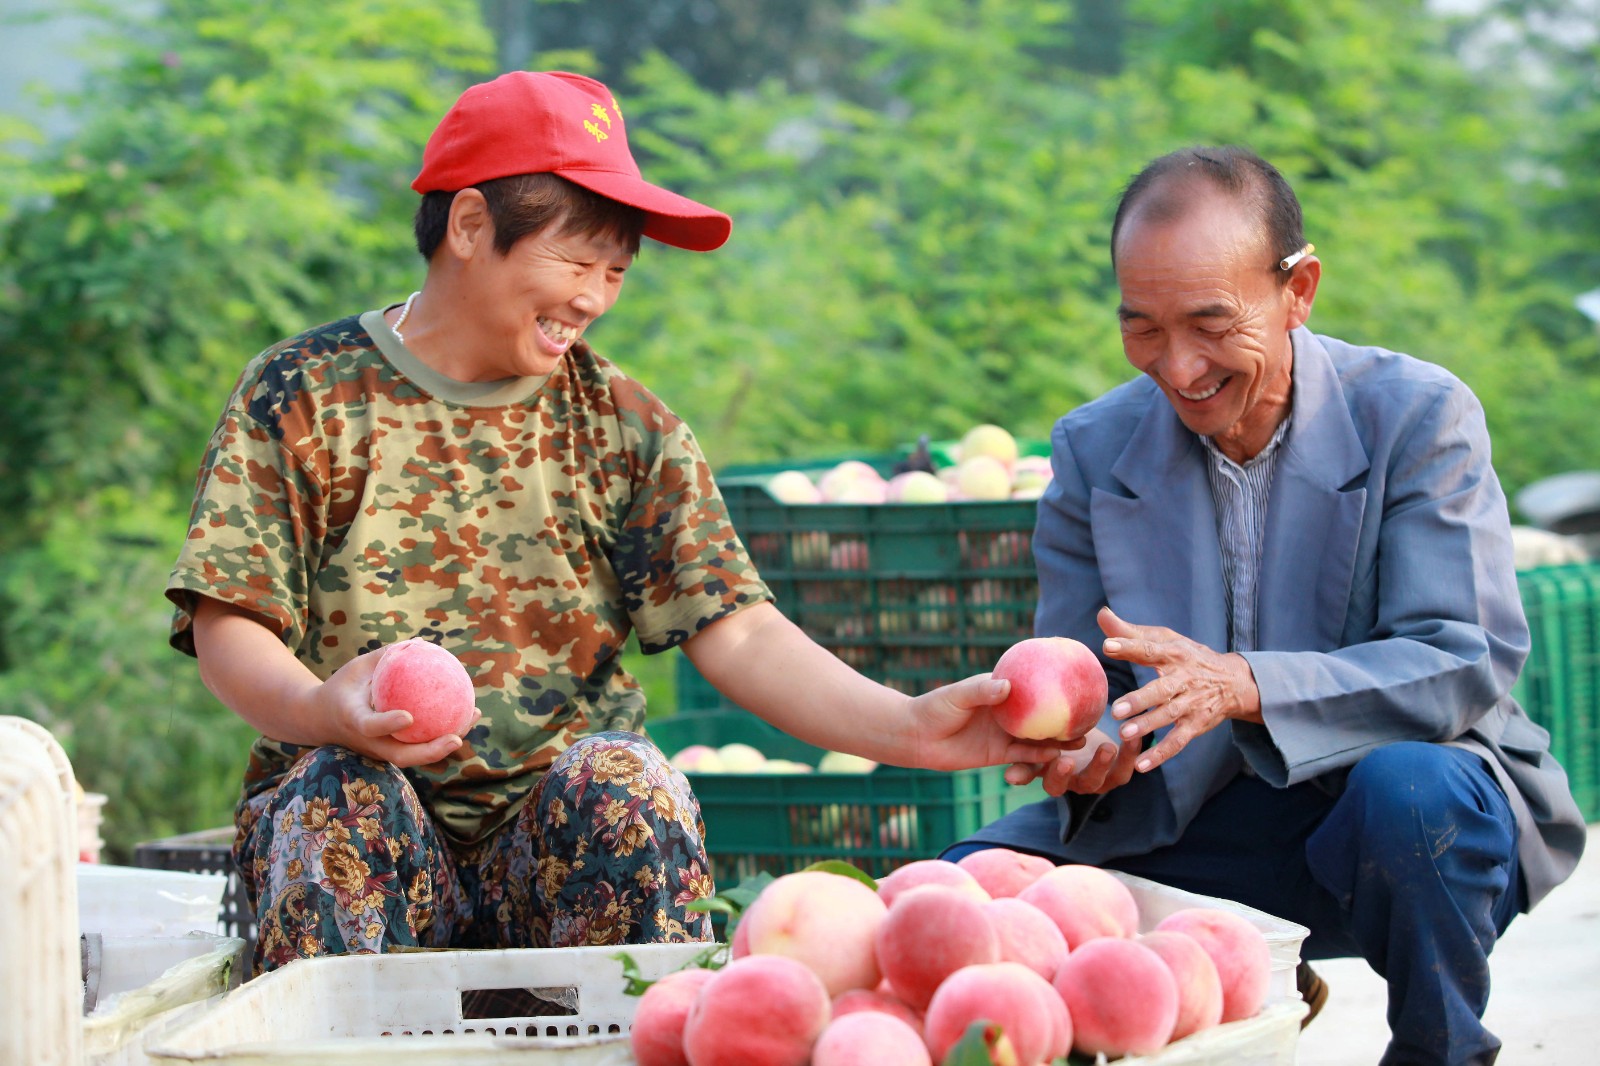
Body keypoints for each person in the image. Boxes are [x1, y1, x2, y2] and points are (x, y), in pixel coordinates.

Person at [166, 70, 1057, 977]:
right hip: (361, 840)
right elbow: (229, 621)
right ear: (470, 226)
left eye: (616, 271)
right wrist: (323, 709)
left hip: (553, 854)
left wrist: (911, 728)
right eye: (575, 262)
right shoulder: (305, 392)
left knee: (631, 786)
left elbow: (739, 634)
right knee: (337, 794)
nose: (593, 297)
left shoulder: (625, 424)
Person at [945, 146, 1587, 1065]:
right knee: (968, 891)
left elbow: (1464, 657)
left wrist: (1245, 683)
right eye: (1142, 328)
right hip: (1188, 818)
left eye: (1211, 322)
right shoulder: (1093, 450)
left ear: (1299, 289)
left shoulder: (1418, 417)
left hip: (1392, 820)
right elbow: (1090, 678)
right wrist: (1084, 748)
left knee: (1410, 792)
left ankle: (1442, 1051)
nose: (1179, 366)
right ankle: (1240, 993)